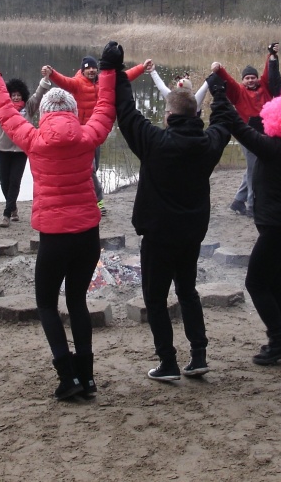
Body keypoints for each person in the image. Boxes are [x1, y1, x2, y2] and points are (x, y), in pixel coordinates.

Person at [0, 43, 119, 400]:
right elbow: (106, 108)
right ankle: (88, 378)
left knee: (46, 303)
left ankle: (68, 377)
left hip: (54, 237)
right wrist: (108, 69)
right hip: (87, 234)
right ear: (75, 112)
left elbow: (5, 112)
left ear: (43, 114)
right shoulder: (88, 136)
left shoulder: (33, 138)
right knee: (77, 302)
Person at [115, 71, 231, 382]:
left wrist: (117, 74)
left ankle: (168, 362)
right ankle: (198, 356)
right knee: (188, 291)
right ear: (195, 113)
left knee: (155, 298)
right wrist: (220, 93)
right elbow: (223, 124)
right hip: (191, 235)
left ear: (168, 116)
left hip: (158, 236)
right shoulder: (207, 144)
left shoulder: (155, 142)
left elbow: (127, 114)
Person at [212, 78, 281, 365]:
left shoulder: (275, 150)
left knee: (256, 283)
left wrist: (221, 97)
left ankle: (278, 340)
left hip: (277, 226)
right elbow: (252, 127)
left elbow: (241, 129)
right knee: (273, 283)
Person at [43, 54, 148, 216]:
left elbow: (124, 77)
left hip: (96, 132)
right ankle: (98, 202)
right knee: (89, 168)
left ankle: (83, 198)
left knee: (93, 168)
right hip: (79, 134)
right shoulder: (77, 84)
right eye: (88, 68)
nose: (91, 71)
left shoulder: (103, 83)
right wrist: (51, 73)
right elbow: (63, 81)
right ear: (83, 70)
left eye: (93, 68)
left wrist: (142, 67)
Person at [212, 42, 281, 217]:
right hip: (247, 135)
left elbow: (268, 71)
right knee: (254, 168)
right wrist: (219, 69)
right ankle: (252, 205)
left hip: (265, 134)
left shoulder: (264, 86)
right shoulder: (238, 92)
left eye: (253, 77)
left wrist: (271, 54)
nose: (251, 80)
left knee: (254, 167)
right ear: (243, 80)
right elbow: (227, 80)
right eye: (247, 78)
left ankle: (238, 201)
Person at [0, 77, 48, 228]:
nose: (16, 97)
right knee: (4, 181)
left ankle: (6, 214)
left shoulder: (29, 107)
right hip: (2, 149)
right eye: (13, 95)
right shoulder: (3, 108)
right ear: (9, 96)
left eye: (18, 95)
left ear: (22, 95)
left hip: (21, 150)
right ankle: (13, 207)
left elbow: (38, 95)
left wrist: (45, 79)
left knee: (15, 181)